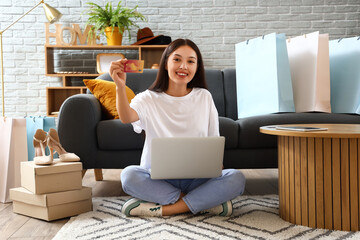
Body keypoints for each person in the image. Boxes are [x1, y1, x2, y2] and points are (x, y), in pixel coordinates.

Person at [110, 39, 246, 217]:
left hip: (198, 178)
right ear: (165, 63)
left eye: (190, 61)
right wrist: (120, 87)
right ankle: (204, 203)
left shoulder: (204, 97)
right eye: (177, 59)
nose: (184, 66)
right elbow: (126, 117)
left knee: (236, 178)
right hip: (159, 178)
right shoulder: (148, 98)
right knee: (129, 176)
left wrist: (215, 168)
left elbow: (214, 141)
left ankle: (167, 209)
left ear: (197, 67)